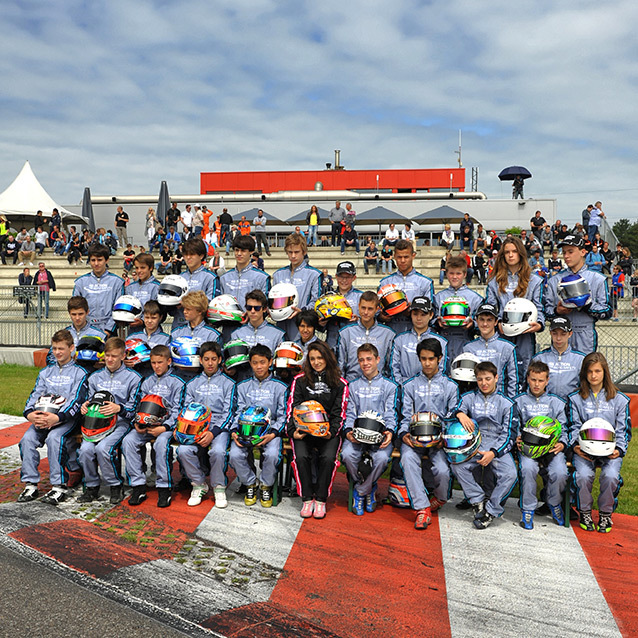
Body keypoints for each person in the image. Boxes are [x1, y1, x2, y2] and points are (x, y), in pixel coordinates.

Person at [17, 330, 88, 505]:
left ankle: (59, 486)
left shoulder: (80, 373)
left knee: (55, 439)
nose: (57, 352)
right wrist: (31, 414)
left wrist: (57, 418)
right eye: (54, 348)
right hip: (42, 418)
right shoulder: (45, 372)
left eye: (61, 348)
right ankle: (31, 484)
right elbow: (35, 395)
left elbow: (76, 401)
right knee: (27, 439)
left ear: (71, 348)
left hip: (66, 420)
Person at [399, 338, 459, 529]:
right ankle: (422, 508)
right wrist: (403, 435)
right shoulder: (410, 386)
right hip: (414, 438)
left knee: (442, 469)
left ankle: (440, 498)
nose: (427, 363)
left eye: (431, 359)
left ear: (440, 359)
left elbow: (452, 417)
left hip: (439, 440)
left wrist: (445, 438)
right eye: (423, 359)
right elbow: (404, 416)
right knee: (407, 459)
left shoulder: (450, 386)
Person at [569, 352, 631, 533]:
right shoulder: (576, 399)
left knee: (611, 476)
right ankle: (585, 512)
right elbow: (573, 425)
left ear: (605, 372)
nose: (593, 376)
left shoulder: (619, 399)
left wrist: (619, 449)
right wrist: (575, 446)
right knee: (583, 476)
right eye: (589, 371)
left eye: (597, 371)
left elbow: (623, 430)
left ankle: (605, 513)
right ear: (584, 374)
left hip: (610, 450)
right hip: (584, 451)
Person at [454, 361, 519, 529]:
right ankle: (478, 501)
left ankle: (491, 510)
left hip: (497, 444)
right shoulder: (468, 397)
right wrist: (460, 414)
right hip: (475, 442)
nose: (484, 383)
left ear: (496, 378)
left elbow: (509, 435)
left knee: (510, 474)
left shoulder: (507, 403)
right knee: (457, 465)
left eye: (488, 378)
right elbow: (456, 408)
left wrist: (493, 453)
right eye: (480, 379)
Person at [286, 341, 347, 519]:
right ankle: (306, 499)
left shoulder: (340, 383)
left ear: (327, 358)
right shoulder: (300, 381)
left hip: (327, 432)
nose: (316, 362)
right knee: (301, 457)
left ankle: (320, 500)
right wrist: (292, 431)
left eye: (320, 358)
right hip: (304, 431)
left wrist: (331, 432)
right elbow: (292, 408)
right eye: (312, 359)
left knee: (328, 458)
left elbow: (340, 413)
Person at [78, 337, 142, 505]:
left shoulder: (134, 378)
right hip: (95, 425)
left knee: (103, 448)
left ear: (123, 356)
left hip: (121, 423)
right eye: (107, 355)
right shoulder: (95, 377)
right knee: (85, 449)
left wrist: (119, 409)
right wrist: (85, 407)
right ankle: (91, 486)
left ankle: (115, 485)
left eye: (114, 356)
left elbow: (135, 410)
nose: (110, 359)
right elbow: (88, 401)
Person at [122, 344, 185, 507]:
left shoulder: (177, 383)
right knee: (128, 441)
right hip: (146, 425)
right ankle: (138, 486)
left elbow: (179, 410)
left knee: (162, 444)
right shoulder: (147, 381)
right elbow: (138, 404)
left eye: (160, 362)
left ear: (169, 361)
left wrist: (165, 427)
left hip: (166, 427)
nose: (156, 366)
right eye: (153, 363)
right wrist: (137, 423)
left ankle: (164, 488)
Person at [177, 342, 236, 508]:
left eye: (214, 359)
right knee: (183, 450)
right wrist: (185, 430)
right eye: (206, 359)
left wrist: (213, 432)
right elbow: (185, 410)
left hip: (219, 427)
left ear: (219, 360)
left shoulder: (229, 384)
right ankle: (198, 484)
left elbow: (229, 412)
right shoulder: (192, 384)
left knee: (218, 451)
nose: (210, 363)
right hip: (194, 427)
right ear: (200, 361)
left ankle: (218, 487)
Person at [341, 343, 397, 516]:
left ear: (377, 359)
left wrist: (390, 432)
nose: (365, 363)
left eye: (369, 359)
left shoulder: (390, 386)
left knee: (381, 458)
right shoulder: (353, 386)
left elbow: (391, 414)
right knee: (347, 455)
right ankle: (368, 486)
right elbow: (350, 413)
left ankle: (361, 490)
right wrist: (349, 432)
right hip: (358, 436)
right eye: (361, 360)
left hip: (379, 437)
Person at [229, 344, 288, 508]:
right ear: (250, 363)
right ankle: (250, 484)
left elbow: (283, 415)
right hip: (245, 431)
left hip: (270, 433)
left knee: (272, 455)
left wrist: (274, 433)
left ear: (270, 362)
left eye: (262, 362)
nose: (259, 366)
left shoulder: (280, 387)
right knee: (234, 454)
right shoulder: (242, 386)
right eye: (255, 363)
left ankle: (265, 486)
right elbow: (237, 411)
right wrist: (234, 431)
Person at [515, 361, 568, 529]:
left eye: (540, 380)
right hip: (528, 448)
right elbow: (514, 425)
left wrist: (562, 443)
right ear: (528, 379)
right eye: (533, 380)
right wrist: (516, 437)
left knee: (560, 472)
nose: (536, 384)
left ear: (547, 381)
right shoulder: (519, 401)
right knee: (528, 469)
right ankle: (528, 509)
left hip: (552, 449)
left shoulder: (557, 403)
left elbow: (564, 428)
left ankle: (553, 503)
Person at [486, 236, 544, 379]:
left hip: (526, 334)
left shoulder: (534, 280)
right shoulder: (494, 282)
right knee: (501, 372)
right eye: (507, 252)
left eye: (514, 251)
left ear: (521, 253)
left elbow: (539, 306)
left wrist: (539, 325)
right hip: (502, 333)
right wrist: (498, 322)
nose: (511, 255)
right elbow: (491, 308)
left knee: (525, 371)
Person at [545, 235, 611, 353]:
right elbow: (546, 311)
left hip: (586, 335)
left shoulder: (598, 279)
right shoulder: (553, 280)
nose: (566, 256)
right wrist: (557, 311)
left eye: (570, 252)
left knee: (585, 370)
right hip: (560, 336)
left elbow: (607, 312)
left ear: (583, 252)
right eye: (564, 252)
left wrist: (586, 305)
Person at [434, 255, 483, 369]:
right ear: (446, 274)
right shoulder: (438, 297)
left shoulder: (475, 298)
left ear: (465, 274)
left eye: (458, 273)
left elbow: (483, 323)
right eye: (451, 273)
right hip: (444, 342)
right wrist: (437, 323)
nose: (454, 277)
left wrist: (473, 325)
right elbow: (431, 320)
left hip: (466, 342)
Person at [462, 302, 519, 397]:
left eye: (489, 320)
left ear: (496, 322)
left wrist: (510, 403)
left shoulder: (507, 347)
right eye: (481, 319)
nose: (485, 324)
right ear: (476, 320)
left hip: (501, 399)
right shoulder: (468, 348)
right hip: (475, 401)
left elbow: (513, 380)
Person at [272, 234, 322, 341]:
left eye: (296, 252)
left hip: (303, 327)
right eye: (290, 252)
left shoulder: (314, 274)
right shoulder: (278, 274)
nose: (293, 256)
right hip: (281, 325)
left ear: (304, 252)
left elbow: (316, 301)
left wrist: (302, 311)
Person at [378, 239, 434, 335]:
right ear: (394, 256)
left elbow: (431, 311)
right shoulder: (385, 282)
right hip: (391, 332)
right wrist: (381, 316)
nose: (402, 261)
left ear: (413, 256)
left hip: (416, 333)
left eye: (406, 257)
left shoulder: (425, 282)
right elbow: (377, 311)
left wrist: (412, 312)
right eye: (399, 257)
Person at [337, 291, 395, 382]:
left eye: (370, 309)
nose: (366, 312)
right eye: (363, 308)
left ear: (377, 309)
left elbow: (390, 366)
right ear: (359, 306)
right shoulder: (346, 333)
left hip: (379, 385)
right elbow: (341, 365)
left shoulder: (388, 334)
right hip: (351, 385)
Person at [390, 296, 447, 383]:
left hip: (430, 390)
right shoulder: (399, 340)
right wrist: (403, 387)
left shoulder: (441, 342)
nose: (419, 318)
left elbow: (441, 370)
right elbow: (394, 368)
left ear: (431, 315)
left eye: (423, 314)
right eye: (415, 314)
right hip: (404, 390)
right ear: (410, 314)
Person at [72, 244, 125, 335]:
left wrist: (108, 331)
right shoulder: (80, 282)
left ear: (107, 260)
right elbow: (75, 307)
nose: (96, 264)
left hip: (109, 332)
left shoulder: (117, 282)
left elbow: (119, 309)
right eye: (93, 260)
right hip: (86, 330)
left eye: (100, 260)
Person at [170, 291, 222, 381]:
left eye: (188, 309)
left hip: (203, 381)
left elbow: (219, 362)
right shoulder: (176, 332)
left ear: (200, 311)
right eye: (184, 309)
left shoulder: (213, 335)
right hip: (178, 379)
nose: (185, 312)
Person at [170, 237, 219, 329]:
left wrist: (186, 304)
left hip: (202, 328)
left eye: (192, 254)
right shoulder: (178, 278)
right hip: (178, 327)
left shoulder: (210, 278)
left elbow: (211, 304)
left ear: (201, 255)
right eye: (185, 254)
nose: (188, 257)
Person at [219, 234, 270, 309]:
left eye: (243, 251)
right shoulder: (224, 278)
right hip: (229, 319)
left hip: (252, 319)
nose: (239, 254)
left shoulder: (262, 277)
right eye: (237, 250)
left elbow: (265, 305)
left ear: (251, 252)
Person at [321, 261, 362, 349]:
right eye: (341, 276)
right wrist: (321, 323)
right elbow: (320, 327)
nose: (344, 280)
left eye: (348, 277)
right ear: (336, 277)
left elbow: (371, 320)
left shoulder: (361, 297)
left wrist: (359, 320)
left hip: (354, 345)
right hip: (332, 345)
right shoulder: (327, 297)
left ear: (354, 277)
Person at [231, 289, 284, 353]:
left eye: (257, 308)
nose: (252, 311)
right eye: (249, 308)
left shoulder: (278, 334)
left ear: (264, 309)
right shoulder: (237, 334)